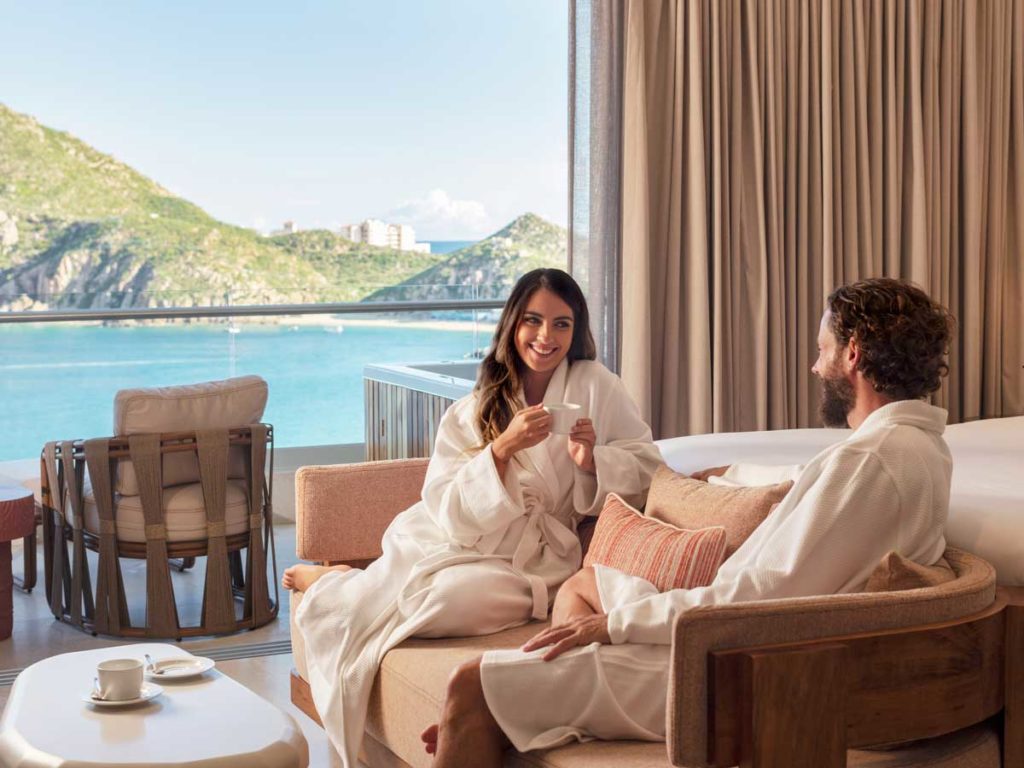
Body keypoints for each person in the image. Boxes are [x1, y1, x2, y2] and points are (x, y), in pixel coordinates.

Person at [421, 277, 956, 766]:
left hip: (729, 664)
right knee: (587, 585)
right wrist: (727, 473)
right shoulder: (919, 448)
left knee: (469, 683)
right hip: (748, 640)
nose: (816, 368)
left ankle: (487, 705)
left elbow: (757, 593)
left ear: (854, 354)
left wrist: (616, 625)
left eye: (822, 352)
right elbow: (813, 483)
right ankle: (509, 703)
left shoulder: (866, 462)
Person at [285, 267, 663, 767]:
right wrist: (501, 451)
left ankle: (345, 585)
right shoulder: (479, 402)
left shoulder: (598, 386)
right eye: (533, 321)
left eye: (561, 324)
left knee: (446, 602)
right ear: (512, 324)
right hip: (458, 537)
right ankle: (333, 583)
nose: (546, 337)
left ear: (577, 330)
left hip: (537, 561)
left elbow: (650, 466)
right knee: (401, 594)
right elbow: (442, 498)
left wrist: (593, 462)